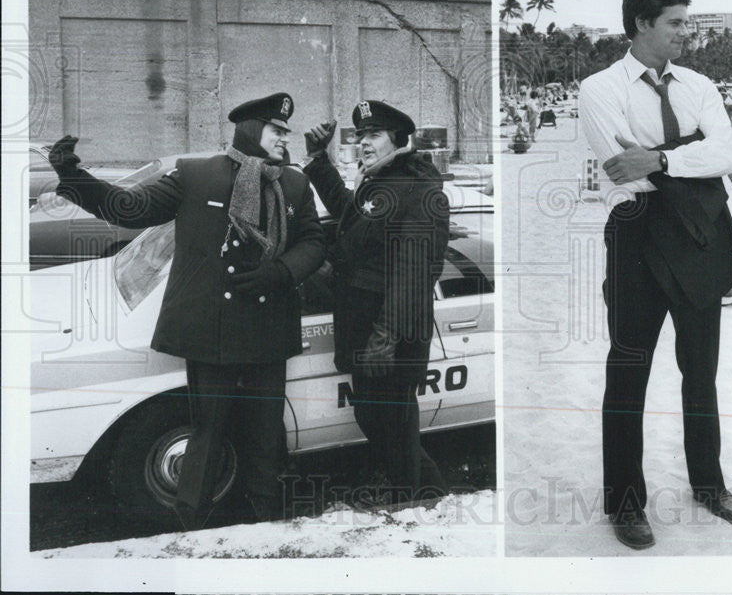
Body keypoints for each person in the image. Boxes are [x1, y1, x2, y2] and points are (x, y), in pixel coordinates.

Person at [48, 93, 325, 529]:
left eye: (285, 132)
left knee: (265, 434)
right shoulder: (198, 175)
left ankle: (266, 519)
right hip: (211, 331)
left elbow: (313, 240)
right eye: (276, 131)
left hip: (269, 328)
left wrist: (281, 272)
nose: (283, 139)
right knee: (207, 431)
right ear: (251, 131)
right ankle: (190, 523)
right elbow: (131, 209)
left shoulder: (293, 183)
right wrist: (74, 176)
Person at [579, 0, 732, 550]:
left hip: (701, 236)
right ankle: (625, 504)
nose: (687, 31)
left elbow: (728, 151)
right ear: (642, 24)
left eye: (686, 21)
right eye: (676, 22)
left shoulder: (699, 84)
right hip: (636, 234)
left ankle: (709, 484)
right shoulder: (599, 89)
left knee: (701, 371)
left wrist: (659, 159)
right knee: (627, 372)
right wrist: (689, 161)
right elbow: (621, 169)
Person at [302, 101, 450, 507]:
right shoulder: (382, 181)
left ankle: (420, 500)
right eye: (361, 136)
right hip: (369, 329)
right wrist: (318, 160)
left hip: (391, 335)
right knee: (376, 418)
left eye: (374, 135)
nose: (363, 143)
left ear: (399, 140)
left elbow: (416, 272)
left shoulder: (417, 187)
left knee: (395, 425)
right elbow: (352, 216)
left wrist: (385, 337)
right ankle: (418, 494)